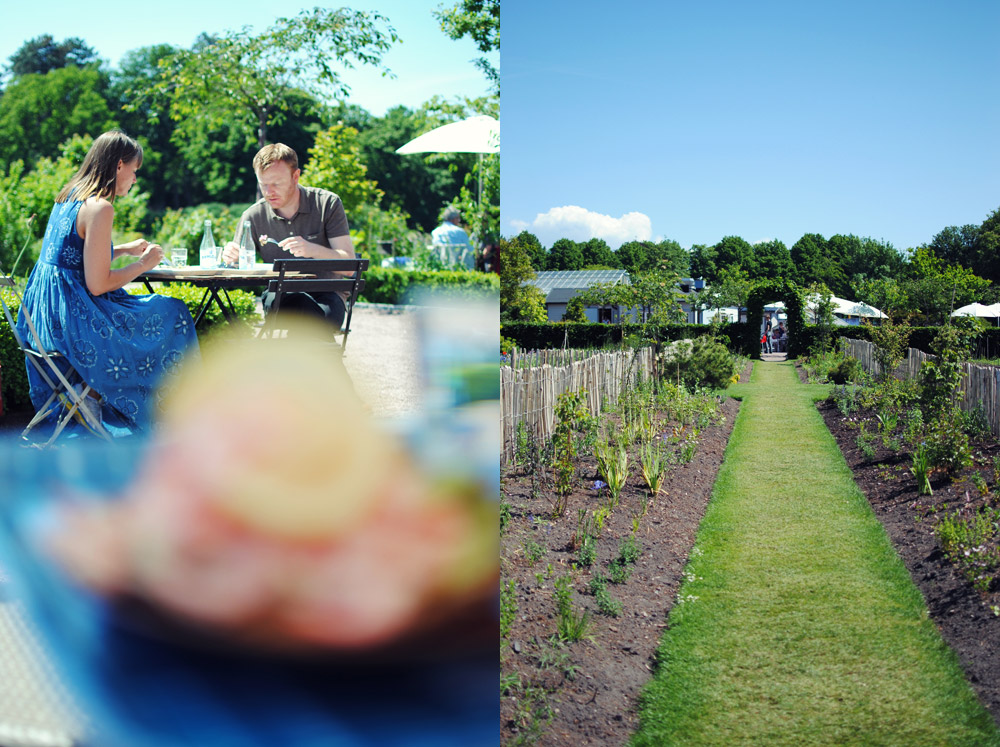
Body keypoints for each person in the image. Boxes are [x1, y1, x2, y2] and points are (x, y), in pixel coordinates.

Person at [16, 129, 199, 434]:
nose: (135, 179)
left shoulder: (69, 197)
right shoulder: (101, 207)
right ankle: (172, 415)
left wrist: (124, 249)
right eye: (134, 170)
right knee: (173, 312)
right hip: (73, 325)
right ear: (118, 166)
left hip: (45, 319)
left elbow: (71, 258)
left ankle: (104, 403)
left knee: (156, 309)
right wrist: (144, 264)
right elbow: (98, 284)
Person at [221, 143, 355, 330]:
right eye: (263, 184)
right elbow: (234, 268)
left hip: (327, 296)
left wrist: (312, 250)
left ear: (295, 176)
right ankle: (326, 355)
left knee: (305, 314)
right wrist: (231, 259)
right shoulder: (253, 216)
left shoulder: (327, 204)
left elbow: (349, 267)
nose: (269, 192)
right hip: (280, 296)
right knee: (297, 307)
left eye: (276, 184)